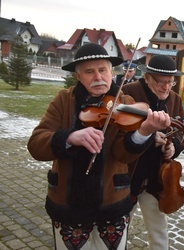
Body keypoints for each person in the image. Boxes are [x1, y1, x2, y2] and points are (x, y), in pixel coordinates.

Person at [27, 43, 171, 250]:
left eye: (102, 70)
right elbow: (35, 145)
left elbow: (123, 154)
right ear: (78, 76)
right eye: (89, 71)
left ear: (111, 71)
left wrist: (144, 131)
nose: (98, 77)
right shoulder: (64, 100)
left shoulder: (126, 102)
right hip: (68, 203)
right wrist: (70, 138)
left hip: (112, 202)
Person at [122, 55, 184, 250]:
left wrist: (174, 146)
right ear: (147, 78)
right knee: (121, 227)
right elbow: (117, 132)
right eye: (161, 82)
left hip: (157, 178)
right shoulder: (129, 93)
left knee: (159, 230)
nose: (166, 87)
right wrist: (149, 136)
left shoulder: (175, 99)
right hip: (129, 174)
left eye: (170, 82)